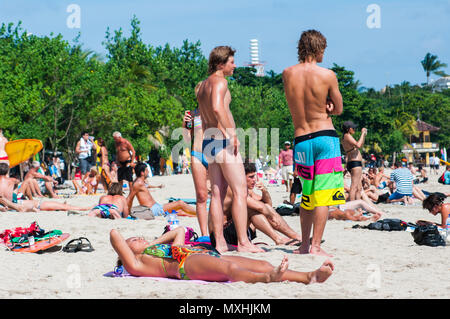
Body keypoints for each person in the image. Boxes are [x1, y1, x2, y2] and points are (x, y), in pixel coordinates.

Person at [283, 29, 344, 256]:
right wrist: (328, 106)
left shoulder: (288, 73)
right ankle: (316, 246)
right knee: (323, 195)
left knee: (306, 196)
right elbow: (338, 108)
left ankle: (304, 245)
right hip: (325, 138)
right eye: (323, 50)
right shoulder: (328, 75)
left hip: (301, 141)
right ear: (318, 48)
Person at [197, 46, 263, 253]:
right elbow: (217, 108)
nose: (235, 66)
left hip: (209, 140)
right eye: (232, 62)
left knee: (217, 193)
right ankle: (244, 241)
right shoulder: (220, 82)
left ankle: (220, 242)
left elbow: (206, 112)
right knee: (240, 191)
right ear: (220, 64)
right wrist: (232, 133)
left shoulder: (201, 86)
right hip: (223, 139)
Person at [110, 228, 334, 284]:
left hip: (198, 256)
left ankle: (308, 276)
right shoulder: (135, 264)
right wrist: (129, 249)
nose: (138, 238)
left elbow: (179, 231)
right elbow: (114, 234)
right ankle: (268, 278)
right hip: (185, 265)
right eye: (133, 240)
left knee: (262, 262)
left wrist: (153, 242)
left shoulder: (155, 250)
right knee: (231, 271)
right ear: (126, 252)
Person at [211, 161, 303, 247]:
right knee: (251, 210)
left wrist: (264, 191)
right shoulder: (232, 189)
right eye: (251, 177)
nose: (254, 180)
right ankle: (279, 239)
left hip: (238, 232)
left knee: (262, 208)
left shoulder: (246, 190)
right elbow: (260, 207)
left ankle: (295, 236)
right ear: (241, 177)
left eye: (254, 176)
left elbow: (267, 204)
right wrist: (271, 215)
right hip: (222, 236)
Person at [182, 82, 210, 236]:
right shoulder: (193, 114)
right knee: (201, 196)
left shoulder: (216, 111)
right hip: (197, 154)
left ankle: (217, 231)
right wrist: (185, 125)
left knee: (218, 195)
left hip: (213, 155)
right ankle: (205, 234)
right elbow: (186, 139)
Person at [126, 163, 196, 217]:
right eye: (146, 170)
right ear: (142, 173)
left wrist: (157, 186)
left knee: (179, 211)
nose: (148, 172)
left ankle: (196, 215)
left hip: (156, 207)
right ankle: (200, 213)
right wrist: (128, 212)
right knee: (180, 203)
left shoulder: (141, 182)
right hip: (153, 210)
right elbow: (130, 198)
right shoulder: (138, 183)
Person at [342, 121, 367, 201]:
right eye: (353, 128)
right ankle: (352, 207)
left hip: (352, 162)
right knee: (354, 187)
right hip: (355, 163)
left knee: (359, 188)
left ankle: (358, 208)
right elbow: (358, 145)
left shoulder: (345, 136)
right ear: (348, 129)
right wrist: (362, 133)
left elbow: (360, 144)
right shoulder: (347, 136)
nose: (355, 129)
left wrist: (364, 135)